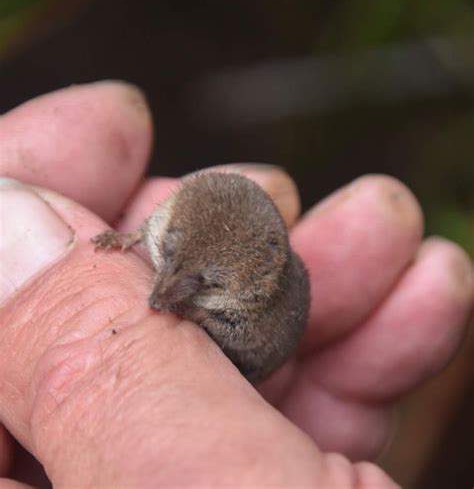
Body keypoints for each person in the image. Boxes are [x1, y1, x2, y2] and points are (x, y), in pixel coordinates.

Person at [0, 81, 472, 488]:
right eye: (173, 249)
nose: (161, 293)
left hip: (244, 366)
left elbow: (235, 335)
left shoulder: (256, 299)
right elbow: (157, 229)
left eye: (200, 280)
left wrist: (198, 312)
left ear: (251, 282)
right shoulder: (181, 212)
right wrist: (132, 238)